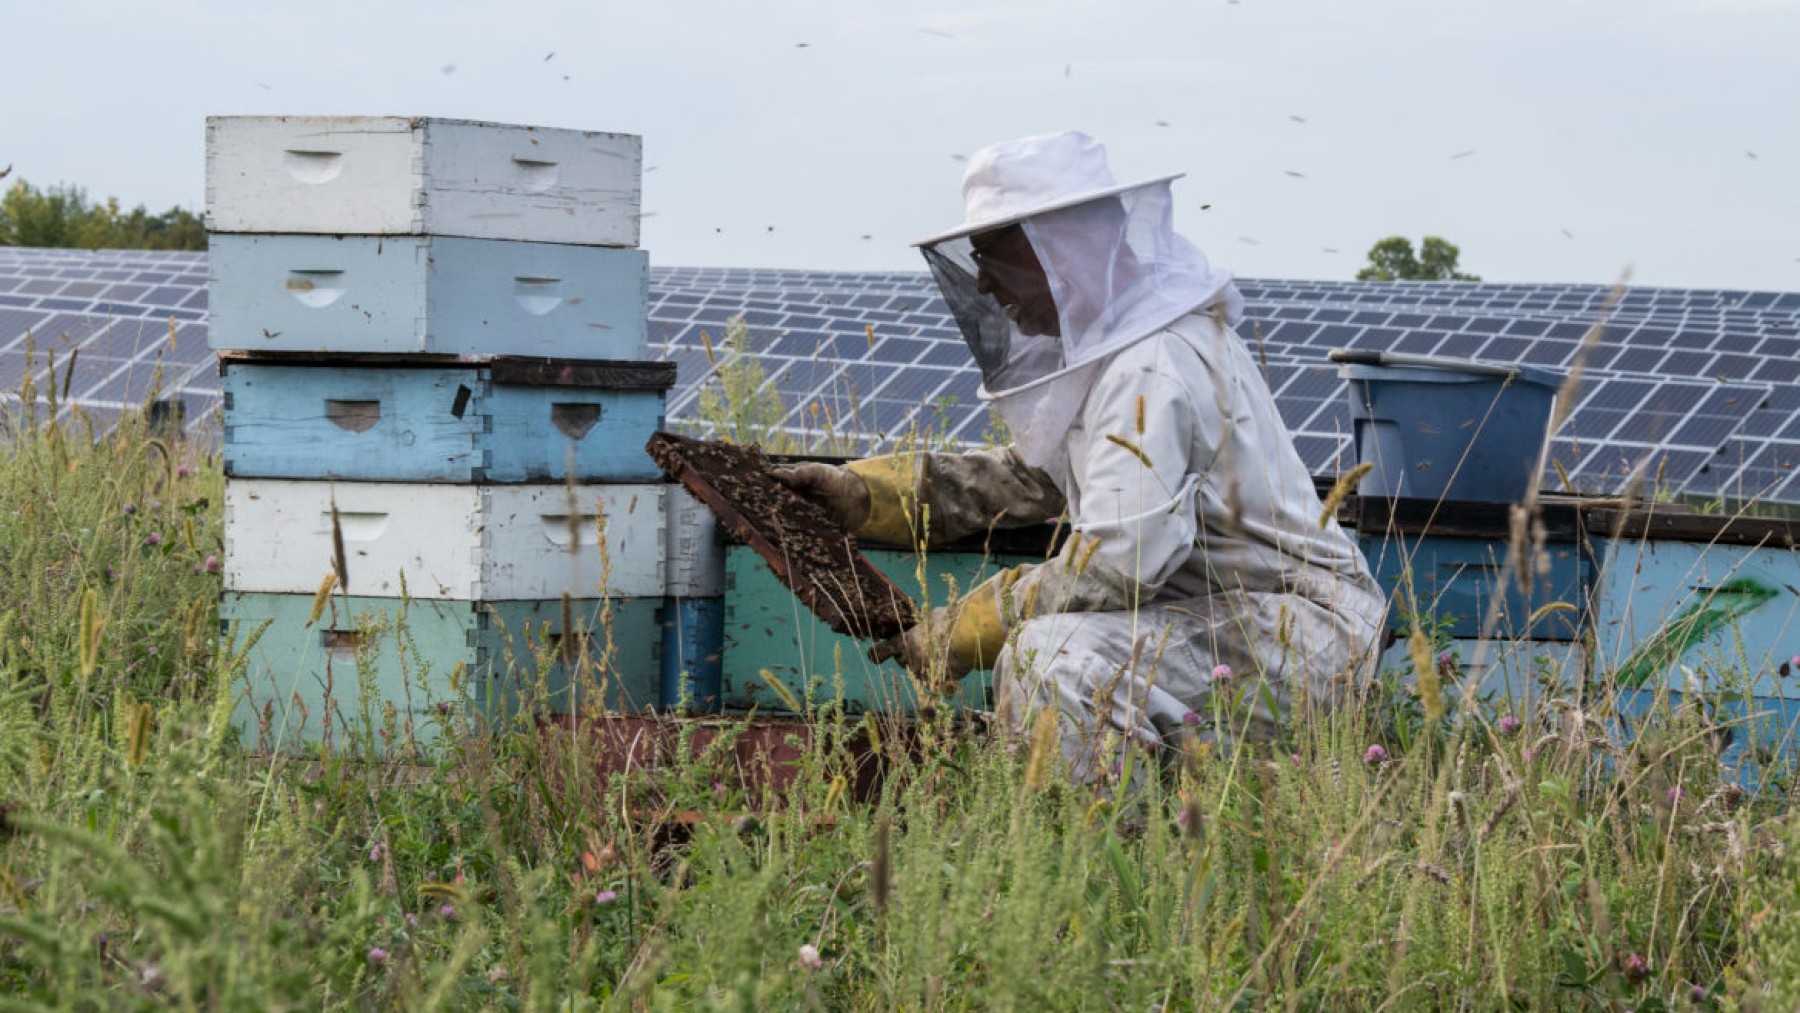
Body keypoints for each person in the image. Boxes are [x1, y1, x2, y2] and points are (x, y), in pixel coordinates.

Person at [777, 131, 1387, 781]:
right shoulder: (1118, 351)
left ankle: (1103, 837)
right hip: (1230, 618)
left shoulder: (1152, 364)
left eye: (997, 257)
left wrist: (966, 625)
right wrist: (865, 495)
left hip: (1295, 630)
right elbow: (1030, 477)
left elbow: (1119, 563)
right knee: (1054, 656)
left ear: (1064, 249)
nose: (983, 283)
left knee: (1052, 657)